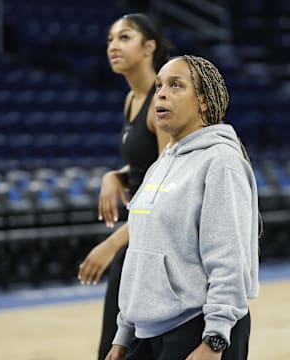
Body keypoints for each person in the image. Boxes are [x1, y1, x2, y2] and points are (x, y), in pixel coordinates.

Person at [105, 55, 261, 360]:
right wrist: (123, 333)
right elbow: (140, 254)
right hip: (147, 332)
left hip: (199, 330)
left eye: (176, 85)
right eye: (159, 85)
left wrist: (215, 339)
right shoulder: (162, 163)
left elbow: (229, 258)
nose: (160, 93)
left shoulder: (221, 161)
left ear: (203, 102)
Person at [77, 13, 174, 360]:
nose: (113, 46)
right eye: (109, 39)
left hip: (152, 243)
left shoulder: (161, 102)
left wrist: (112, 243)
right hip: (137, 238)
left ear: (149, 47)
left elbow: (168, 183)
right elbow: (145, 164)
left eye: (124, 37)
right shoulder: (131, 99)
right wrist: (114, 175)